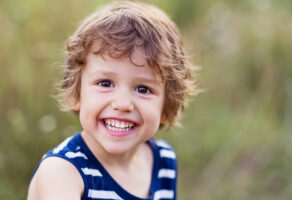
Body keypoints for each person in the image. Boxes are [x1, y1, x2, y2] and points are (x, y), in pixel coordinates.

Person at [27, 1, 197, 200]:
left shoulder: (163, 161)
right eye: (105, 83)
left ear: (166, 108)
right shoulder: (63, 171)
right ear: (76, 92)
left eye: (143, 89)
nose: (122, 103)